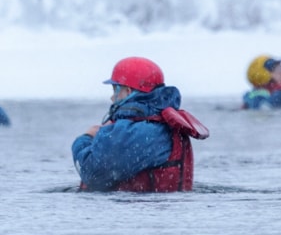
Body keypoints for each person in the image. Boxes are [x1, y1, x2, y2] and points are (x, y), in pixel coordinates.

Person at [71, 56, 209, 193]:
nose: (112, 98)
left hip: (139, 213)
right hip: (155, 211)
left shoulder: (142, 131)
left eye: (115, 90)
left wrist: (86, 138)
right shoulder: (152, 125)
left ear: (128, 91)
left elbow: (93, 175)